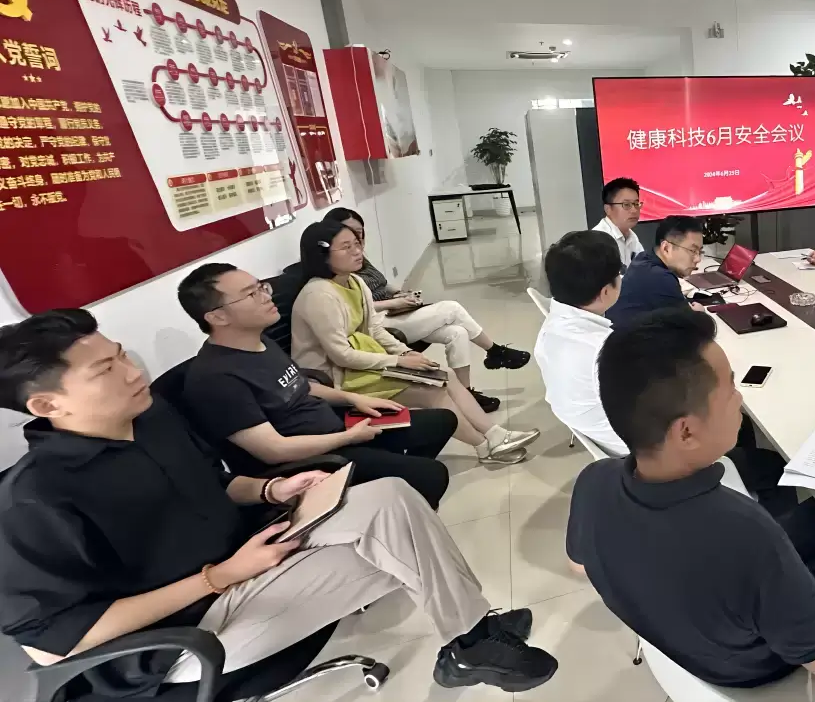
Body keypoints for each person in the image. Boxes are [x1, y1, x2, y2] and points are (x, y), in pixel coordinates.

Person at [0, 309, 558, 696]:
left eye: (122, 355)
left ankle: (471, 637)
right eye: (106, 370)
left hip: (251, 558)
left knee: (392, 497)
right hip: (190, 632)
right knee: (404, 550)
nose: (134, 372)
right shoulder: (34, 499)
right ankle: (471, 636)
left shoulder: (149, 420)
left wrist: (271, 490)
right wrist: (218, 578)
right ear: (47, 404)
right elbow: (54, 647)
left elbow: (213, 484)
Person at [566, 309, 815, 689]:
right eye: (732, 388)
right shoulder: (745, 533)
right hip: (758, 669)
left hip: (688, 647)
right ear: (686, 432)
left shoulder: (594, 481)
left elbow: (579, 565)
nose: (740, 399)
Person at [177, 262, 457, 509]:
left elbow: (301, 386)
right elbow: (273, 450)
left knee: (442, 421)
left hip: (336, 427)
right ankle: (401, 491)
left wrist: (353, 399)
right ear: (217, 317)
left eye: (261, 287)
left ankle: (398, 490)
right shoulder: (216, 378)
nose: (266, 296)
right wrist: (348, 438)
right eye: (251, 294)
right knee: (433, 474)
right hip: (313, 458)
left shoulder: (260, 342)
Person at [289, 220, 539, 464]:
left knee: (445, 374)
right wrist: (398, 361)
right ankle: (484, 447)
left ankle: (496, 435)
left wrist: (407, 353)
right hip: (336, 378)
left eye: (357, 243)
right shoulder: (319, 295)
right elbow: (341, 355)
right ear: (322, 255)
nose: (357, 251)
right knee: (432, 390)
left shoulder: (355, 282)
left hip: (359, 365)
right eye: (346, 247)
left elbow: (375, 330)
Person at [324, 207, 529, 414]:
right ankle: (495, 351)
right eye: (349, 235)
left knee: (457, 332)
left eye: (359, 233)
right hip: (377, 321)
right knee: (452, 309)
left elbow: (381, 284)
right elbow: (357, 308)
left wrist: (401, 294)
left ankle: (466, 393)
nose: (356, 240)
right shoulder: (333, 275)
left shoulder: (359, 259)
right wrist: (392, 304)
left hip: (391, 311)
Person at [533, 230, 628, 455]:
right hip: (637, 447)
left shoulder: (551, 328)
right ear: (606, 291)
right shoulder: (604, 349)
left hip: (598, 431)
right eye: (619, 273)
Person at [606, 215, 705, 327]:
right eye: (693, 251)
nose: (698, 259)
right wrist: (700, 314)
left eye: (700, 252)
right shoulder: (660, 278)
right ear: (666, 248)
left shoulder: (644, 258)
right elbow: (692, 327)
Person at [592, 177, 646, 268]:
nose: (634, 210)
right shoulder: (598, 240)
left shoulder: (631, 236)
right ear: (608, 209)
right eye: (626, 205)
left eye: (636, 204)